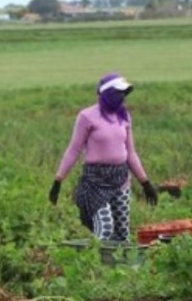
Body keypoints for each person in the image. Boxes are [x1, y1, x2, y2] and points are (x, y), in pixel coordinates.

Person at [49, 72, 158, 241]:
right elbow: (74, 149)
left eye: (124, 93)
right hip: (95, 182)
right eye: (118, 93)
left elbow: (131, 153)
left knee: (122, 233)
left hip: (120, 179)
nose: (122, 98)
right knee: (106, 228)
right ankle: (96, 264)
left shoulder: (124, 117)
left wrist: (145, 182)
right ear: (108, 94)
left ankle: (119, 266)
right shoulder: (87, 117)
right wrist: (58, 181)